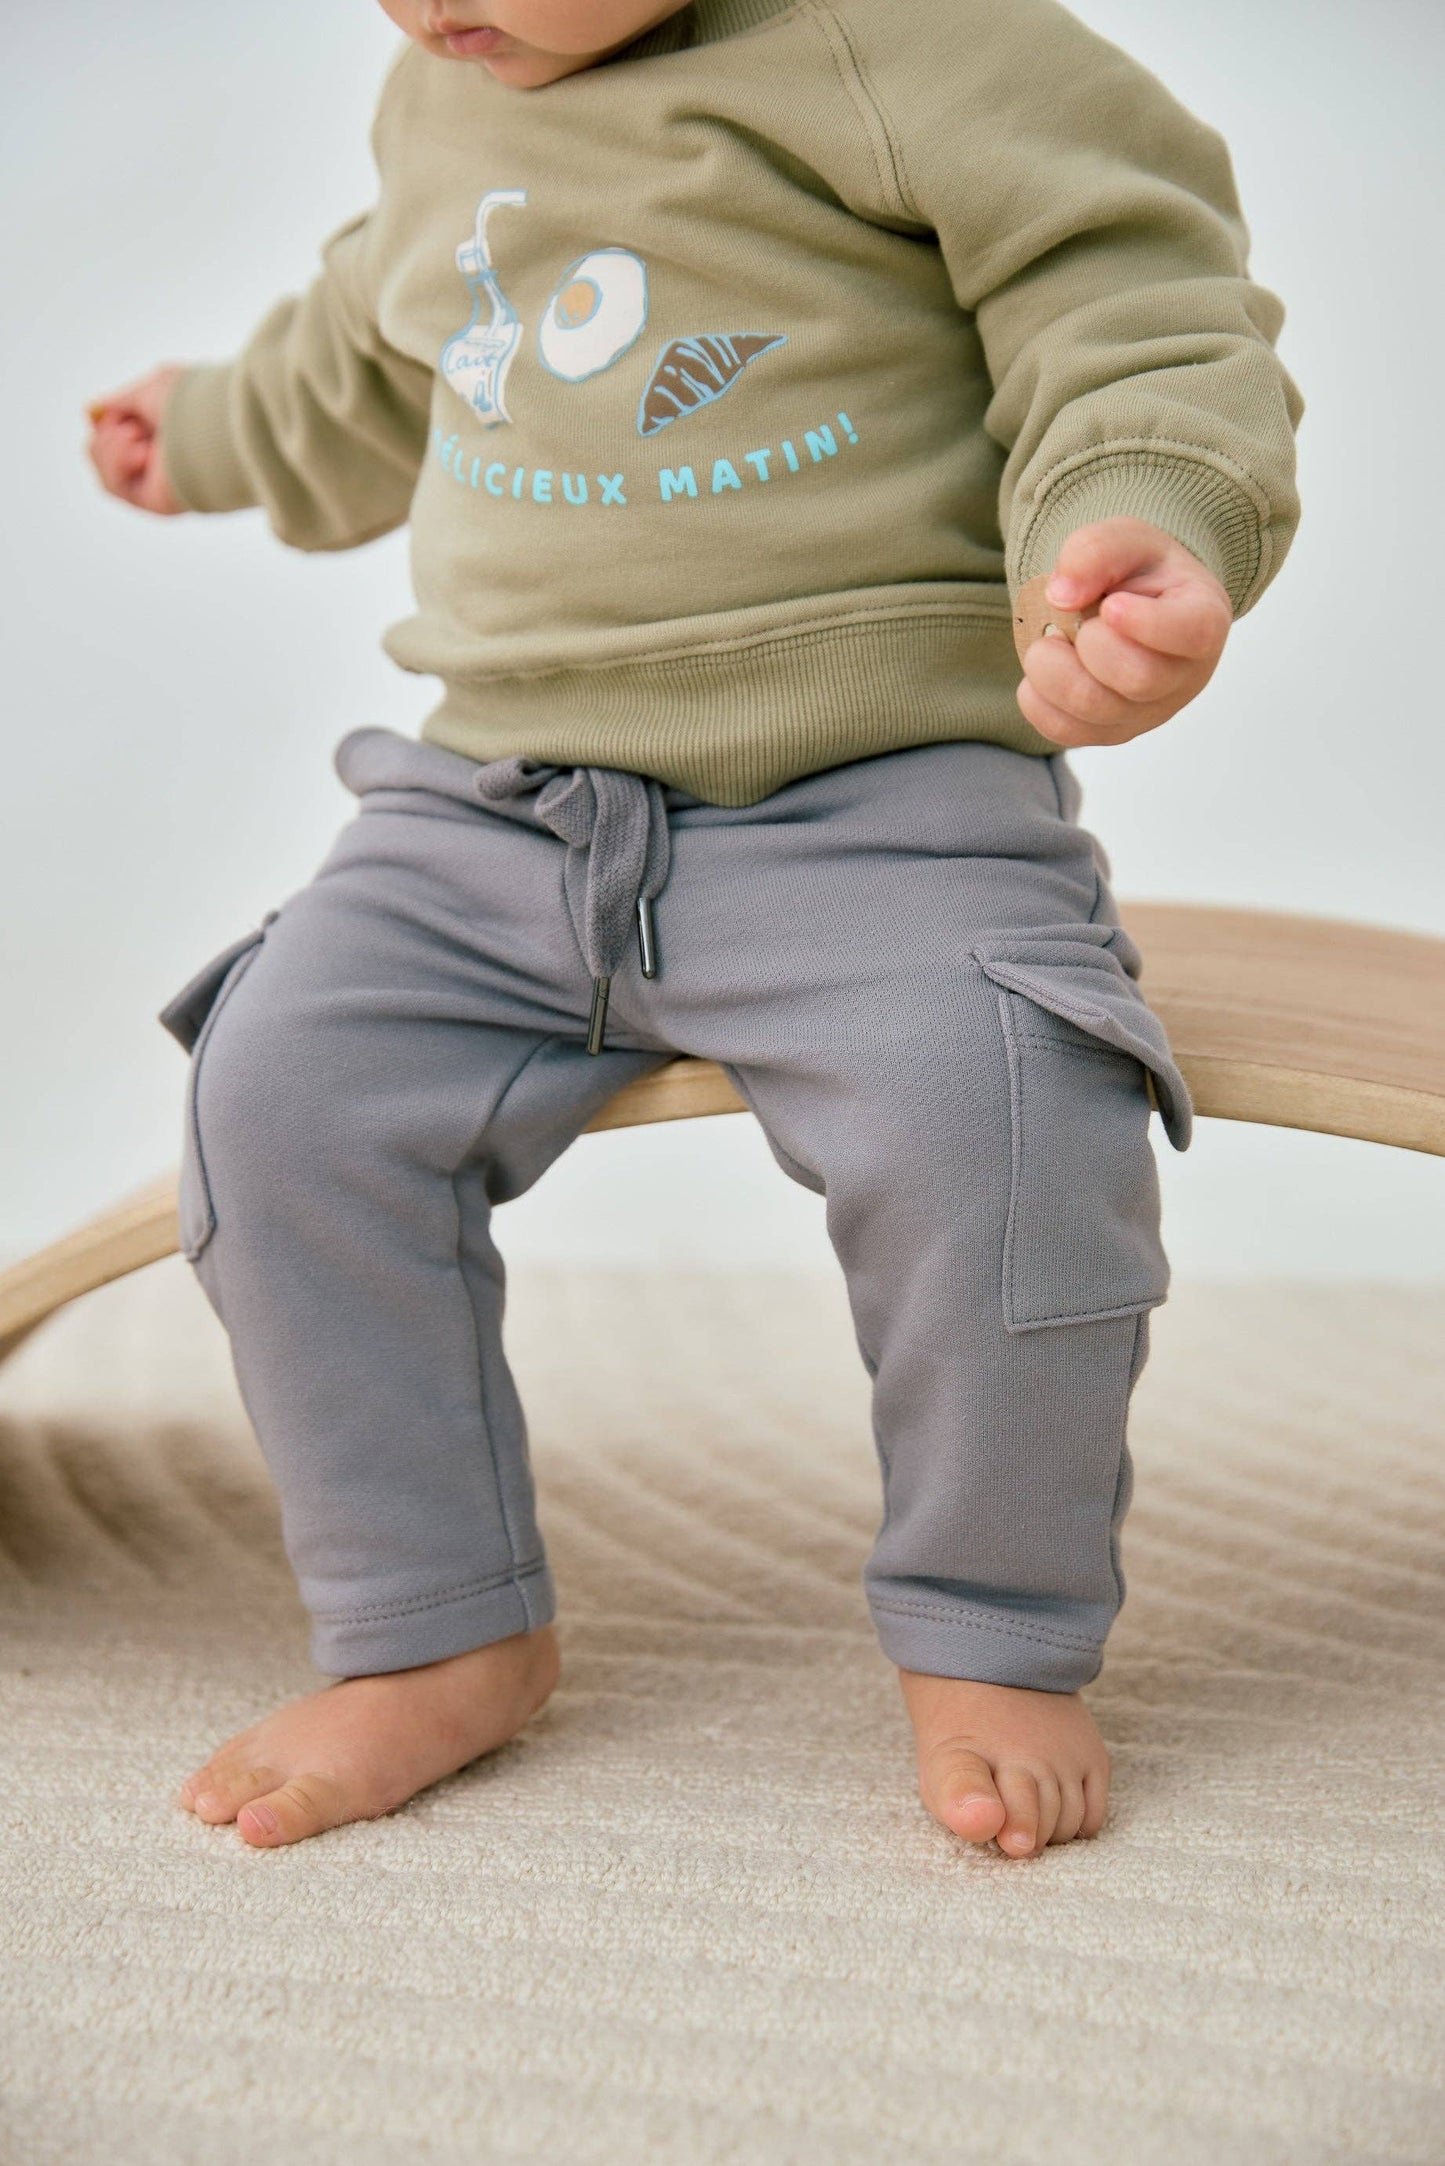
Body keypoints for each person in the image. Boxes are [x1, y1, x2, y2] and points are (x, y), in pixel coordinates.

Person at [85, 0, 1302, 1856]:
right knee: (275, 1098)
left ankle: (995, 1625)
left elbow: (1129, 303)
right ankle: (434, 1626)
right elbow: (366, 349)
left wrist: (1144, 512)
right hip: (493, 807)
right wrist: (216, 427)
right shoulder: (451, 88)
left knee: (1002, 1116)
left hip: (882, 804)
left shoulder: (918, 44)